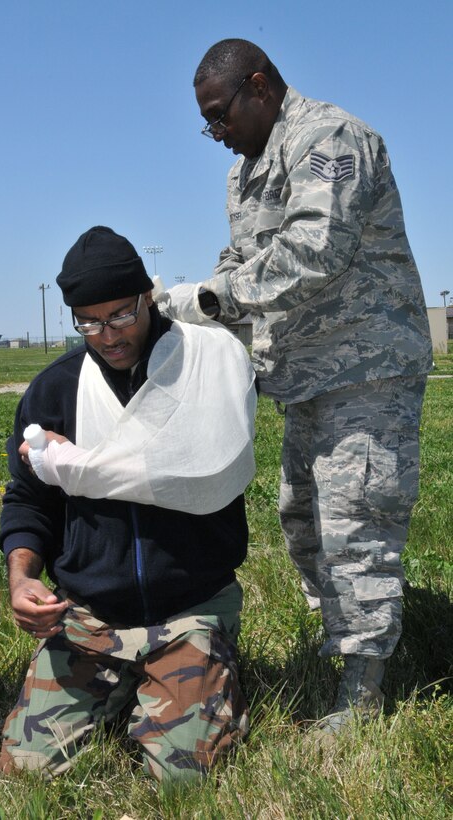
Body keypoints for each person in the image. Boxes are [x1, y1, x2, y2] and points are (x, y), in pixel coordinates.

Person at [158, 38, 433, 735]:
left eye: (221, 114)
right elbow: (242, 261)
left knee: (355, 528)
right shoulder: (245, 174)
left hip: (365, 371)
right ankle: (336, 645)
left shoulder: (331, 139)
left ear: (261, 86)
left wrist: (214, 298)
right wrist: (189, 315)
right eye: (207, 122)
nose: (215, 133)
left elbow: (316, 249)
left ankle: (364, 692)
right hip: (305, 376)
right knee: (303, 524)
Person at [0, 225, 257, 781]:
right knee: (22, 771)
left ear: (148, 298)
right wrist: (22, 579)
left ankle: (186, 674)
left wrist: (88, 466)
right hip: (91, 614)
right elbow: (28, 500)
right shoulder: (56, 390)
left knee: (183, 777)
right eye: (88, 321)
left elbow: (217, 466)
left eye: (120, 315)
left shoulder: (201, 368)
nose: (107, 335)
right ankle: (127, 691)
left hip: (191, 607)